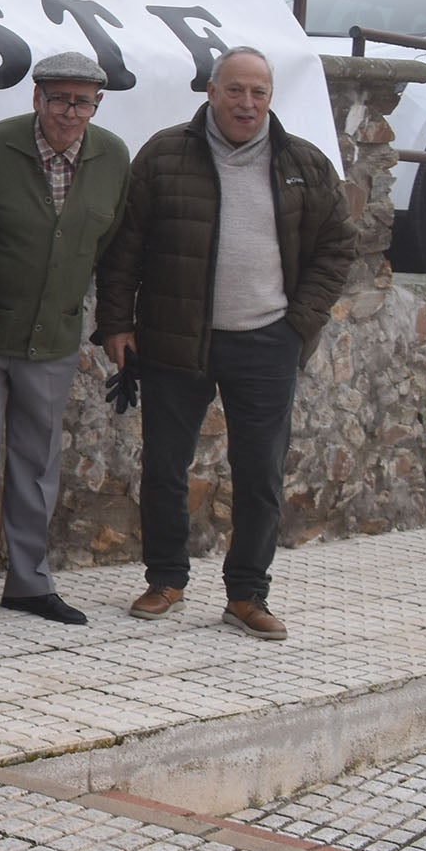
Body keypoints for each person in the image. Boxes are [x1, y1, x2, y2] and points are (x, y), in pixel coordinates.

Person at [96, 47, 356, 638]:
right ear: (211, 92)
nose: (247, 103)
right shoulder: (164, 155)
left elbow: (337, 250)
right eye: (235, 90)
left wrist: (299, 325)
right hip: (174, 339)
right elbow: (124, 249)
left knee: (260, 472)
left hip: (268, 341)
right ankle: (165, 579)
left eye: (258, 92)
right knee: (164, 466)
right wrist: (116, 323)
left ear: (270, 97)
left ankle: (247, 594)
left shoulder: (302, 163)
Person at [0, 52, 129, 630]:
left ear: (97, 105)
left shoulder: (113, 157)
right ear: (36, 98)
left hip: (55, 337)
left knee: (38, 462)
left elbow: (110, 245)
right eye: (59, 99)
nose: (70, 112)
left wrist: (112, 324)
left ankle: (29, 582)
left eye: (83, 101)